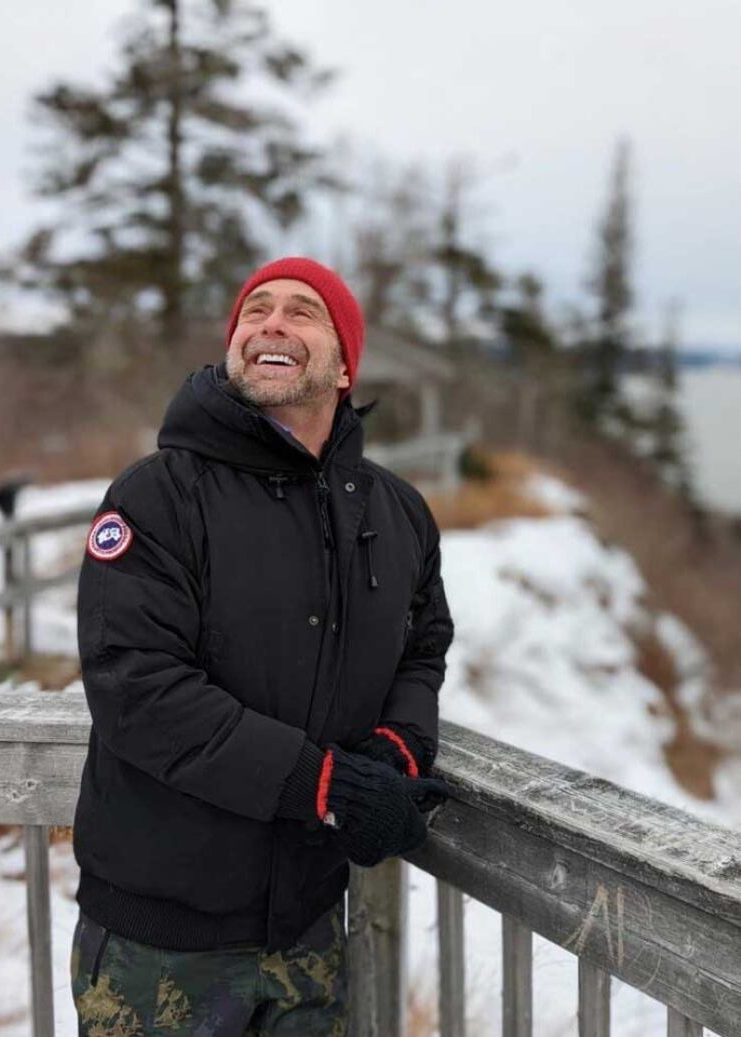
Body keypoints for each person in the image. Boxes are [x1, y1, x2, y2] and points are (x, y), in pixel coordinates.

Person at [70, 256, 455, 1035]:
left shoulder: (397, 511)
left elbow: (425, 641)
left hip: (308, 930)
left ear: (345, 363)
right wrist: (325, 784)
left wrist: (397, 748)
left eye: (302, 311)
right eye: (256, 311)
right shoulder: (158, 495)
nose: (271, 323)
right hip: (159, 943)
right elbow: (136, 686)